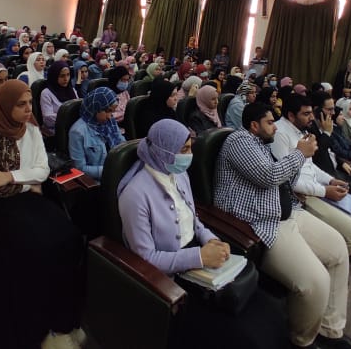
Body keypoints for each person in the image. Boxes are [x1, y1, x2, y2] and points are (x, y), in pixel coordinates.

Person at [118, 119, 288, 349]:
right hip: (169, 279)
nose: (189, 156)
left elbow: (194, 219)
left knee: (271, 313)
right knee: (244, 337)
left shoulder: (179, 174)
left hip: (199, 257)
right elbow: (146, 259)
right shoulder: (135, 194)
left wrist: (212, 240)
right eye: (184, 150)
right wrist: (199, 257)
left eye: (190, 148)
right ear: (164, 152)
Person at [214, 103, 351, 348]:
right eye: (270, 122)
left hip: (289, 212)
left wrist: (304, 159)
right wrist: (299, 153)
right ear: (254, 125)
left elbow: (284, 176)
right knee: (316, 282)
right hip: (262, 222)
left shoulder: (262, 144)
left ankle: (330, 330)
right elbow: (269, 176)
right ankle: (301, 340)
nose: (275, 128)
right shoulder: (239, 141)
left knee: (339, 250)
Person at [0, 80, 84, 349]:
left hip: (28, 199)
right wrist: (26, 181)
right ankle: (33, 326)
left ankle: (61, 319)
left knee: (69, 236)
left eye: (30, 103)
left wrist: (10, 177)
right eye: (21, 104)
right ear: (6, 105)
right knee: (34, 247)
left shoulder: (31, 128)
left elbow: (42, 170)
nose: (28, 109)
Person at [272, 95, 351, 275]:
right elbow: (288, 180)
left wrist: (329, 180)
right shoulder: (280, 134)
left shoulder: (301, 130)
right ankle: (331, 264)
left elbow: (311, 166)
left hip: (318, 186)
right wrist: (324, 191)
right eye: (306, 114)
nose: (311, 117)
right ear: (291, 115)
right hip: (303, 196)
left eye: (311, 112)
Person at [68, 87, 125, 180]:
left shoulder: (110, 122)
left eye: (112, 111)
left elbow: (121, 145)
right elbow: (79, 168)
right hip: (96, 180)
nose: (110, 116)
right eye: (107, 111)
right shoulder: (77, 132)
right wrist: (109, 171)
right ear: (96, 108)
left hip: (117, 173)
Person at [41, 61, 78, 137]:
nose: (66, 79)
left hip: (74, 126)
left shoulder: (72, 90)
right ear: (54, 76)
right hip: (56, 131)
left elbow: (77, 107)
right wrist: (69, 117)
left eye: (68, 75)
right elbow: (48, 118)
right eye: (62, 76)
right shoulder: (46, 93)